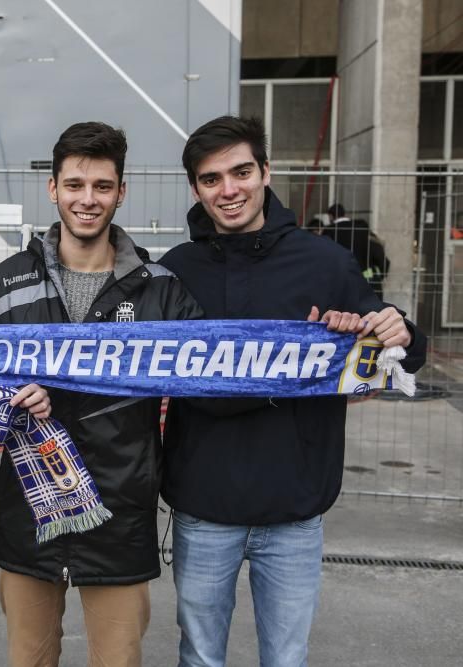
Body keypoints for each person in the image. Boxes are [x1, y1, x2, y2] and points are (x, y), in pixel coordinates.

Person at [159, 115, 427, 667]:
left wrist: (402, 329)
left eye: (241, 172)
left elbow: (397, 346)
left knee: (286, 659)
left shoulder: (326, 263)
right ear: (196, 188)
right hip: (203, 507)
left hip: (296, 511)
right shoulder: (173, 271)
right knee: (200, 657)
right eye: (212, 179)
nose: (229, 190)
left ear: (266, 172)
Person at [0, 121, 203, 667]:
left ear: (121, 191)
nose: (87, 200)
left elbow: (218, 366)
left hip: (120, 513)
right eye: (74, 185)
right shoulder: (6, 284)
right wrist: (9, 394)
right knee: (30, 659)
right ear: (53, 188)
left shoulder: (161, 290)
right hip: (28, 514)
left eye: (102, 187)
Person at [323, 203, 390, 298]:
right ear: (344, 214)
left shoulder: (329, 232)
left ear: (331, 216)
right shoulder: (360, 228)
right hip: (366, 283)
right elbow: (378, 253)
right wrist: (381, 274)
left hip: (340, 285)